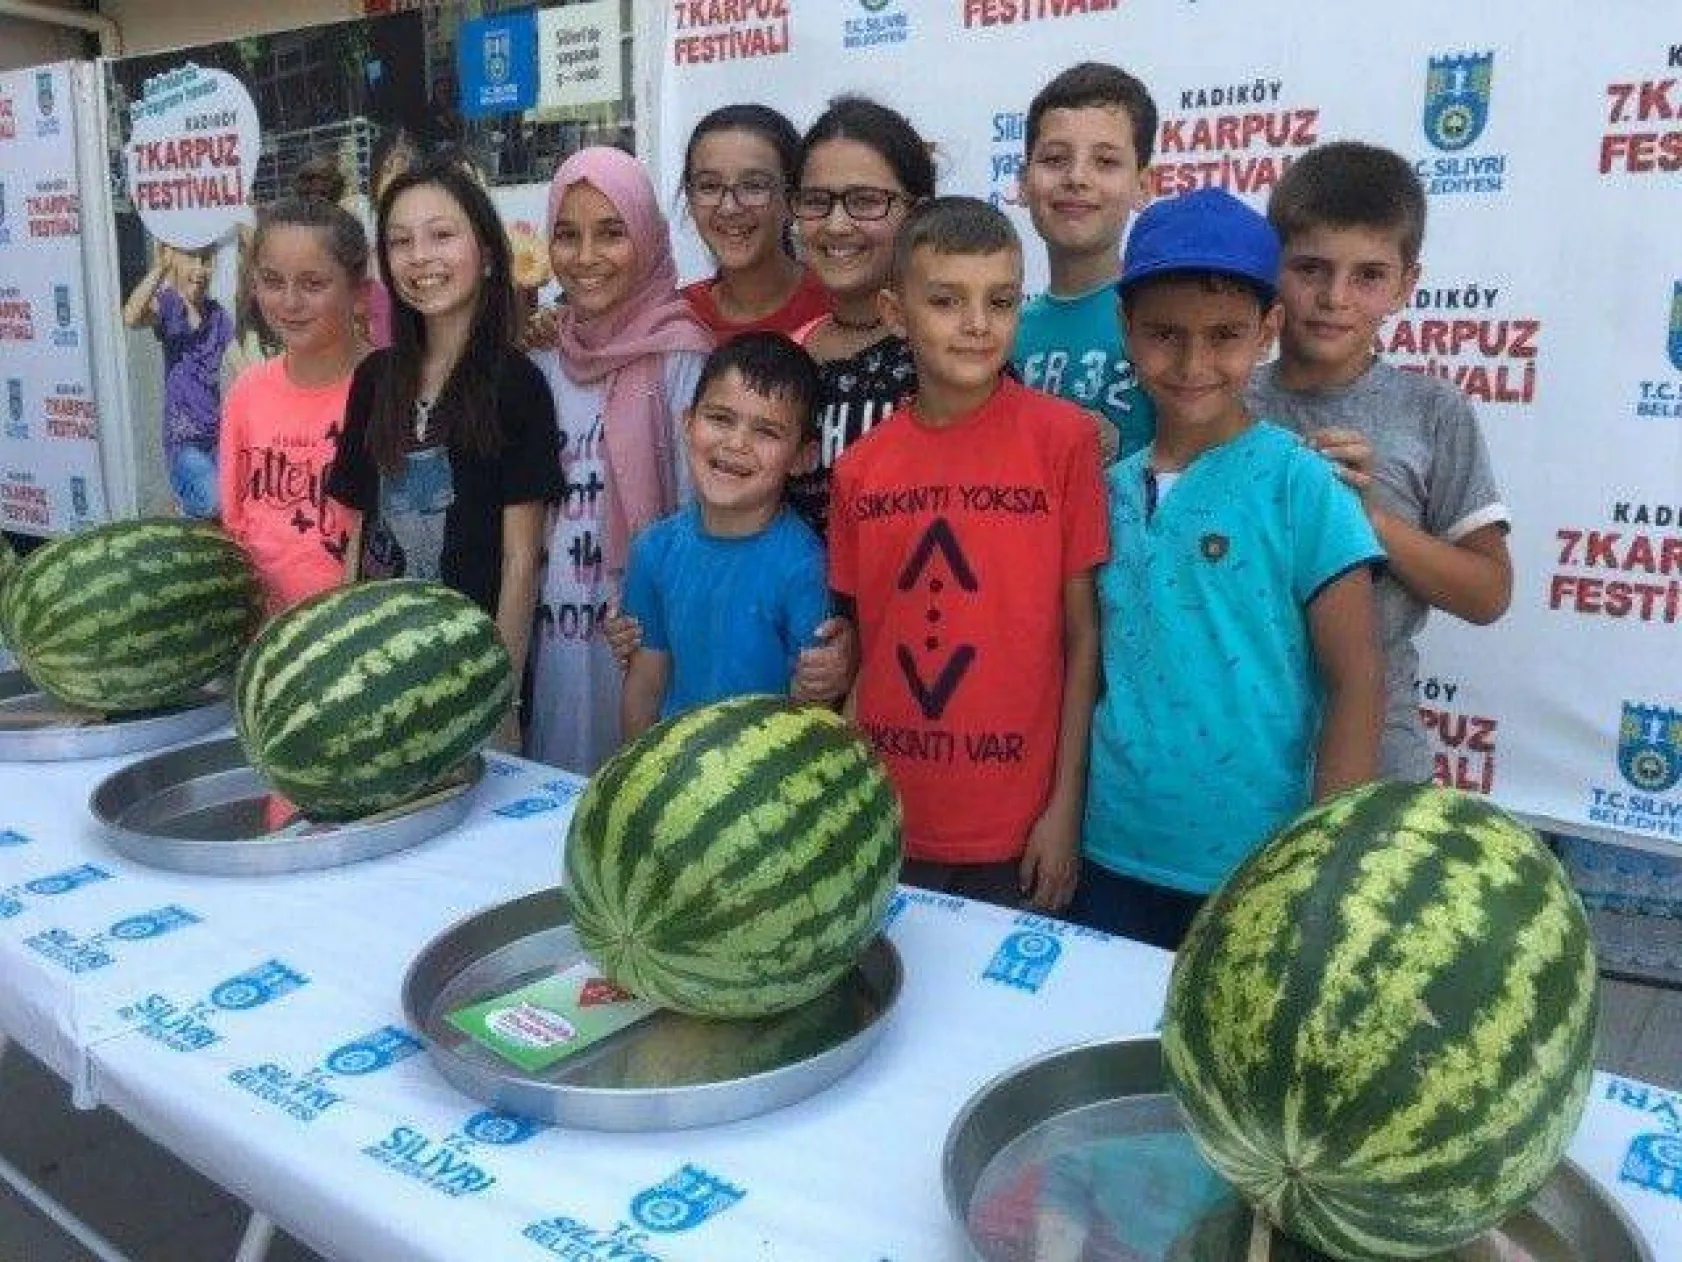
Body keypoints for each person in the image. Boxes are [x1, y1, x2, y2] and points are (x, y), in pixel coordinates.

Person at [1077, 188, 1384, 950]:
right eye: (1164, 334)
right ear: (1125, 327)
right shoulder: (1106, 491)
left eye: (1223, 336)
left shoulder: (1299, 484)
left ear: (1268, 330)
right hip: (1110, 846)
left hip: (1256, 867)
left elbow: (1358, 679)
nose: (1191, 363)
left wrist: (1320, 862)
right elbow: (1085, 667)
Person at [828, 197, 1108, 912]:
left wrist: (1064, 809)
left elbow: (1084, 640)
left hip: (1016, 829)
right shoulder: (860, 468)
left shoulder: (1063, 441)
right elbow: (867, 647)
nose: (978, 325)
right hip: (889, 816)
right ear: (895, 313)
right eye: (947, 301)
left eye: (1002, 301)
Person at [1248, 141, 1513, 781]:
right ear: (1271, 267)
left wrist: (1372, 523)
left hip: (1380, 760)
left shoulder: (1432, 410)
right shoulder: (1224, 400)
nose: (1335, 297)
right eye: (1310, 268)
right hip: (1238, 752)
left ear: (1405, 286)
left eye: (1368, 275)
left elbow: (1488, 593)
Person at [325, 157, 561, 753]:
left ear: (485, 252)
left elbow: (520, 559)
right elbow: (358, 536)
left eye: (441, 235)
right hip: (377, 671)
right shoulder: (374, 379)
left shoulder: (518, 383)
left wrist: (499, 694)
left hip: (467, 679)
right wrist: (342, 656)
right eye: (400, 242)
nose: (419, 257)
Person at [525, 145, 714, 774]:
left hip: (648, 649)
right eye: (567, 235)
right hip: (555, 654)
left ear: (648, 236)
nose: (586, 258)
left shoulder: (682, 358)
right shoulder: (541, 361)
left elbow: (702, 517)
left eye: (612, 233)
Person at [620, 332, 831, 740]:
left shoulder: (805, 565)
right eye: (720, 418)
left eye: (766, 431)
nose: (737, 443)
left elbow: (811, 708)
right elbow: (644, 685)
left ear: (804, 457)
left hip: (766, 788)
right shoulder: (652, 551)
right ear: (687, 422)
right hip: (669, 777)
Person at [218, 171, 370, 615]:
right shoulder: (247, 392)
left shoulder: (386, 390)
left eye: (312, 284)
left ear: (358, 290)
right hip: (261, 637)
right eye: (271, 280)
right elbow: (234, 524)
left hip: (354, 639)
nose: (288, 302)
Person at [785, 95, 934, 540]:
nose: (836, 224)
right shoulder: (786, 358)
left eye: (866, 201)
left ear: (918, 212)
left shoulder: (953, 356)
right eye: (816, 200)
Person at [1013, 63, 1159, 465]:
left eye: (1106, 162)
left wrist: (1125, 446)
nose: (1077, 178)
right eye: (1055, 159)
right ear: (1024, 182)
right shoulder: (999, 332)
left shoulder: (1169, 323)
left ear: (1143, 187)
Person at [678, 104, 830, 337]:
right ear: (689, 197)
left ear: (792, 199)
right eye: (709, 186)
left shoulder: (837, 306)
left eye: (753, 186)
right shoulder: (676, 320)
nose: (729, 207)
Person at [122, 241, 233, 518]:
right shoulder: (169, 305)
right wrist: (160, 267)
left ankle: (190, 516)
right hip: (184, 442)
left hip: (218, 438)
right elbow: (131, 316)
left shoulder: (218, 315)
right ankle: (182, 506)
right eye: (192, 258)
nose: (199, 268)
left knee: (232, 506)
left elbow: (242, 367)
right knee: (213, 504)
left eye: (206, 260)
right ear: (175, 261)